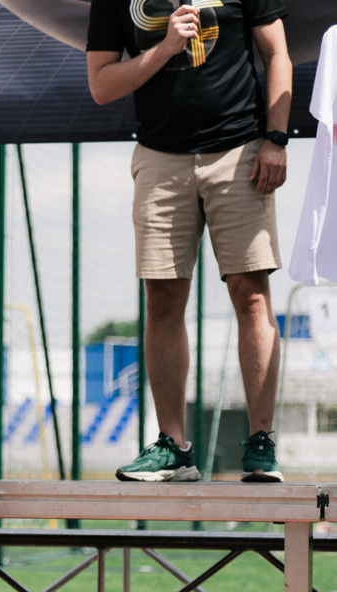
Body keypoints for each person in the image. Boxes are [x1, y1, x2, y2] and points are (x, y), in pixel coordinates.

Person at [86, 1, 292, 483]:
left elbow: (277, 53)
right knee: (161, 299)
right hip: (159, 157)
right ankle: (173, 447)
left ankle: (261, 443)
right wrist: (164, 48)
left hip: (240, 150)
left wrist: (277, 138)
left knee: (252, 294)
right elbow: (101, 85)